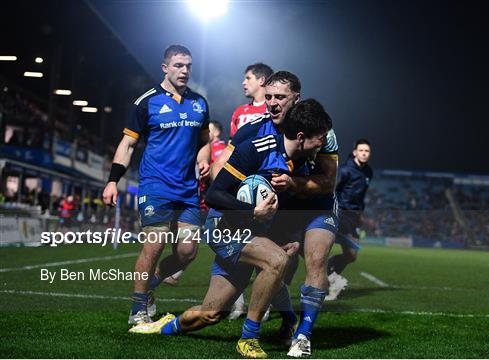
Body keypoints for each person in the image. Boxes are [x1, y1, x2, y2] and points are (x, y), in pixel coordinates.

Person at [129, 99, 333, 359]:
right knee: (276, 261)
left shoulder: (302, 164)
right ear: (302, 137)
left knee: (211, 313)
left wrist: (289, 237)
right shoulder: (256, 150)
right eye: (320, 137)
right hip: (223, 227)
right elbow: (214, 195)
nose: (323, 143)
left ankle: (162, 328)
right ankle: (248, 338)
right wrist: (252, 212)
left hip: (251, 234)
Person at [212, 73, 340, 357]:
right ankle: (288, 321)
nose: (271, 103)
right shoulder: (252, 131)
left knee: (316, 260)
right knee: (277, 267)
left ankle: (303, 336)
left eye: (279, 97)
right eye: (268, 97)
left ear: (297, 97)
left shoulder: (322, 131)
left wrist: (293, 184)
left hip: (317, 206)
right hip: (279, 212)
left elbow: (328, 182)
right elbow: (222, 170)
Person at [102, 44, 211, 325]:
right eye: (178, 65)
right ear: (165, 68)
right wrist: (113, 181)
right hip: (155, 184)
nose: (184, 70)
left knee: (187, 253)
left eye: (188, 65)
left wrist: (203, 160)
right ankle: (138, 309)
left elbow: (203, 143)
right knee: (155, 244)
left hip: (187, 189)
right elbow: (127, 145)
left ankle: (150, 286)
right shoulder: (146, 102)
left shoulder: (199, 103)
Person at [162, 120, 226, 287]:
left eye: (209, 130)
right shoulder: (203, 148)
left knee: (222, 245)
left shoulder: (221, 149)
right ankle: (175, 272)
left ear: (217, 133)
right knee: (194, 243)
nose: (205, 132)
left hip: (215, 203)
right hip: (201, 200)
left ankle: (174, 273)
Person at [326, 139, 373, 300]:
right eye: (361, 150)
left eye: (367, 151)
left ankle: (329, 269)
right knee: (324, 246)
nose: (364, 153)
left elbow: (361, 196)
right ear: (355, 152)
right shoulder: (345, 170)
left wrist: (360, 215)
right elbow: (334, 191)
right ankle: (329, 279)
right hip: (341, 214)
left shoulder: (368, 172)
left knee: (352, 255)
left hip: (353, 217)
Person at [229, 63, 273, 139]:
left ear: (262, 80)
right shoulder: (239, 111)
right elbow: (231, 143)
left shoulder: (274, 110)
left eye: (248, 78)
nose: (244, 82)